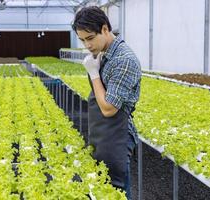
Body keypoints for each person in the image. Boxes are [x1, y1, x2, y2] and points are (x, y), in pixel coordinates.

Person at [72, 6, 141, 200]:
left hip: (117, 135)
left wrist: (94, 74)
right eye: (83, 40)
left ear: (104, 29)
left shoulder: (124, 60)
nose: (87, 45)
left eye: (90, 38)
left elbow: (109, 108)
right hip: (104, 133)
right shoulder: (104, 54)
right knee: (104, 188)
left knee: (117, 192)